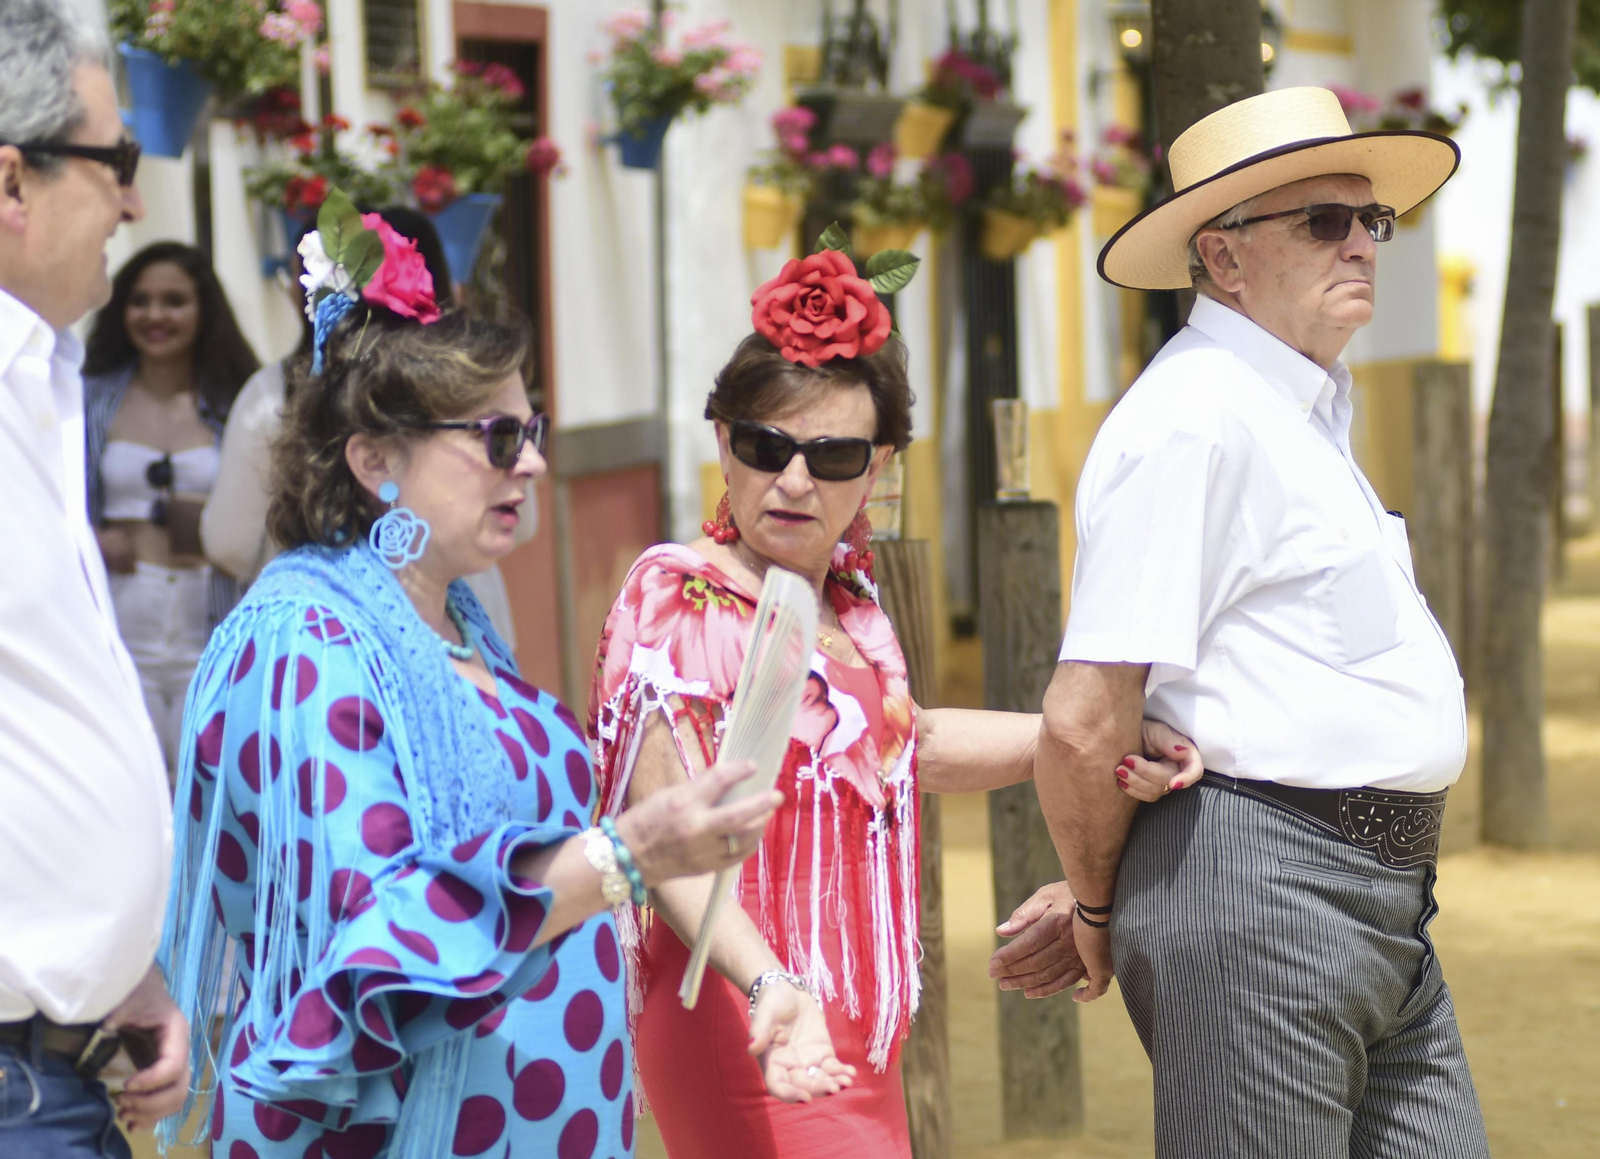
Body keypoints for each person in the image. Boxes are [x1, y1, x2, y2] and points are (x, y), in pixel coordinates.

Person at [158, 197, 789, 1159]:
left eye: (534, 429)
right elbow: (378, 930)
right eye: (496, 436)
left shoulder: (451, 619)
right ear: (375, 459)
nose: (531, 463)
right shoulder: (302, 643)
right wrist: (626, 854)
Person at [589, 244, 1200, 1157]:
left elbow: (904, 744)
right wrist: (766, 984)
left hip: (848, 1014)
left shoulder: (844, 601)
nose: (794, 481)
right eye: (765, 447)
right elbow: (661, 839)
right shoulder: (680, 597)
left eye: (832, 456)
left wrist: (1106, 732)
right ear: (722, 442)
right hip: (745, 1004)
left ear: (875, 470)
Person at [998, 87, 1489, 1157]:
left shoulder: (1291, 406)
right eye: (1325, 221)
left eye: (1372, 219)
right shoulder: (1195, 418)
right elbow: (1084, 717)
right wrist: (1096, 907)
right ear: (1222, 259)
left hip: (1374, 900)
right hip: (1266, 900)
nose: (1362, 244)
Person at [0, 0, 193, 1152]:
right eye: (117, 161)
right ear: (10, 181)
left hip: (57, 1054)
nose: (133, 201)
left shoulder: (39, 374)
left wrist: (114, 969)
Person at [203, 207, 528, 647]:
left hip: (341, 618)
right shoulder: (480, 388)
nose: (530, 462)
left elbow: (227, 541)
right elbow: (525, 522)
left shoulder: (271, 393)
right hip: (446, 614)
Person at [81, 241, 258, 777]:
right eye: (140, 301)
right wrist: (91, 535)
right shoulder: (89, 399)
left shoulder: (238, 402)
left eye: (174, 301)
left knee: (204, 784)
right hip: (119, 622)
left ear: (204, 311)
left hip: (211, 621)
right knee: (123, 782)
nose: (155, 315)